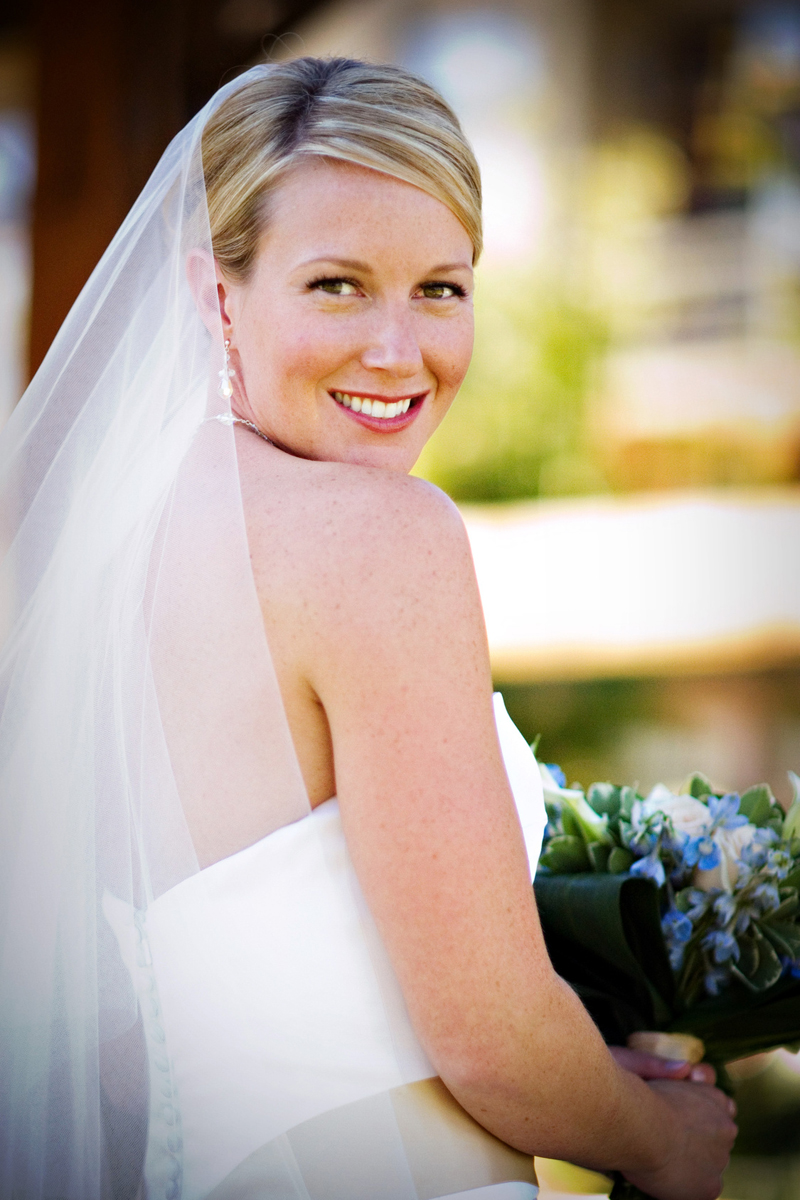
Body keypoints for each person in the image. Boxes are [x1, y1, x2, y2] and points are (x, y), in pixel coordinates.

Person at [0, 57, 736, 1200]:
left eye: (439, 290)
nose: (398, 351)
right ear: (213, 295)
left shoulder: (101, 547)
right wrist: (662, 1140)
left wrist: (591, 1064)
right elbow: (490, 1045)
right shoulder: (381, 537)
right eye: (337, 285)